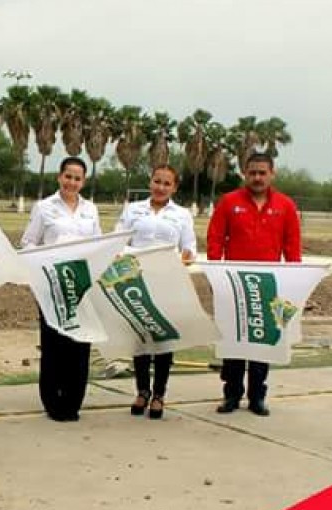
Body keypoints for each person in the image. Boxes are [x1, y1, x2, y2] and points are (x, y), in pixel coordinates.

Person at [207, 152, 301, 416]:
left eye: (262, 172)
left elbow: (292, 247)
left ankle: (257, 396)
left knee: (262, 341)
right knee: (234, 341)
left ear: (272, 174)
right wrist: (216, 277)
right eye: (252, 173)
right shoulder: (228, 202)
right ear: (244, 174)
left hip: (269, 287)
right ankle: (231, 395)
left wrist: (293, 282)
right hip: (234, 286)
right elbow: (215, 241)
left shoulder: (285, 205)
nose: (257, 177)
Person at [20, 157, 102, 422]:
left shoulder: (91, 209)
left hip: (81, 286)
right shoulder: (44, 207)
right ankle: (53, 402)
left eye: (77, 178)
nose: (72, 182)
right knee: (55, 344)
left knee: (79, 344)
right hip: (52, 285)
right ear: (60, 177)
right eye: (68, 176)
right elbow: (28, 243)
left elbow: (99, 244)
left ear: (83, 181)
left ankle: (73, 401)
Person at [113, 165, 196, 420]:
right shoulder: (133, 210)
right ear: (150, 182)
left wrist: (186, 257)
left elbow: (189, 247)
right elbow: (118, 240)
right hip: (136, 282)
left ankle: (159, 394)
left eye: (166, 183)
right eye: (157, 181)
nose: (160, 187)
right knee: (140, 338)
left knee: (163, 339)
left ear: (174, 187)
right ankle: (142, 391)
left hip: (166, 282)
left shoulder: (181, 215)